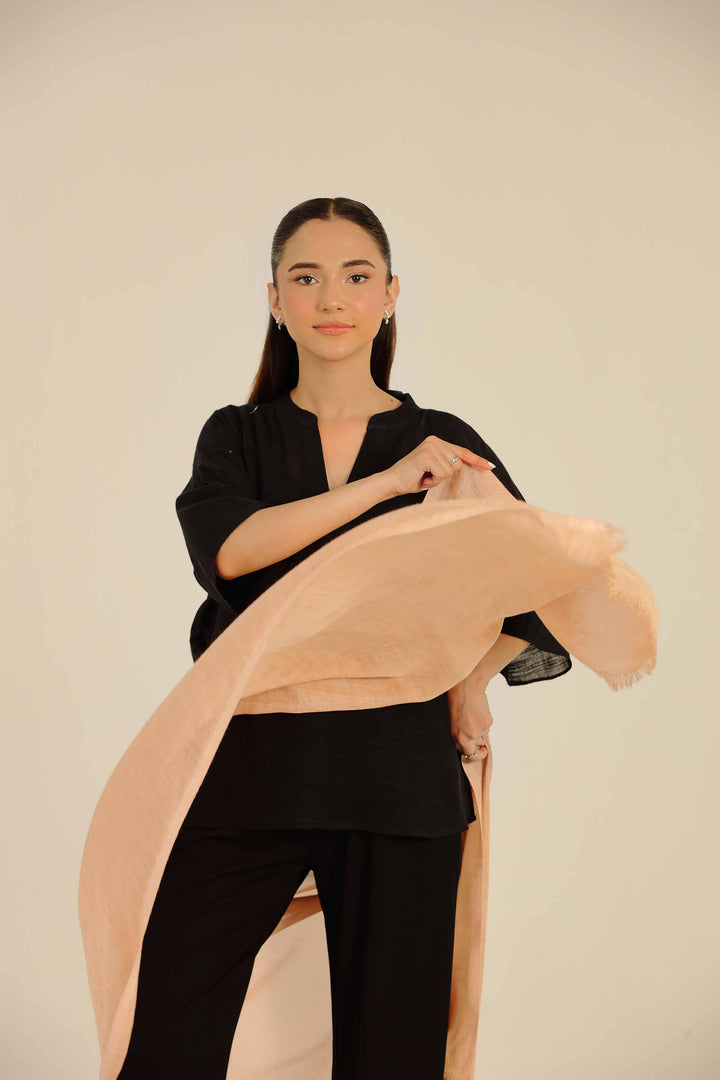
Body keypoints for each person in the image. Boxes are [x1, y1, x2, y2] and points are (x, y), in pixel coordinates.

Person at [116, 196, 571, 1080]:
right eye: (306, 277)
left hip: (398, 783)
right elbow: (230, 550)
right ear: (276, 299)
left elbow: (540, 586)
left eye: (356, 276)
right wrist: (387, 485)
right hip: (248, 776)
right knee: (166, 1042)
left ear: (390, 294)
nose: (332, 298)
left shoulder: (446, 442)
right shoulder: (238, 435)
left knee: (392, 1061)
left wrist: (469, 683)